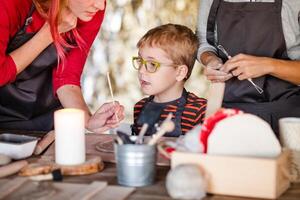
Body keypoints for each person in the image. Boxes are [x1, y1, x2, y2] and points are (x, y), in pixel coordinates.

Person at [0, 0, 124, 133]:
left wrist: (87, 120)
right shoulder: (9, 4)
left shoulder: (90, 12)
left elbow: (67, 77)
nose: (100, 6)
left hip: (47, 122)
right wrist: (49, 32)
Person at [197, 0, 300, 135]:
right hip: (228, 114)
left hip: (286, 114)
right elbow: (205, 42)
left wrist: (269, 65)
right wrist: (210, 59)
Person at [131, 24, 207, 137]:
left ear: (180, 72)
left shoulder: (200, 110)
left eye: (152, 64)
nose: (141, 70)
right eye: (140, 61)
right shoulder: (140, 108)